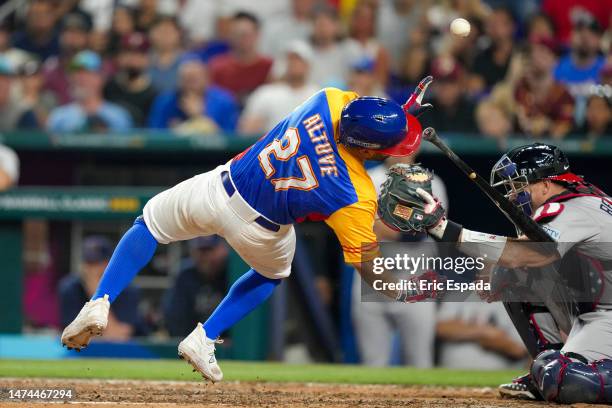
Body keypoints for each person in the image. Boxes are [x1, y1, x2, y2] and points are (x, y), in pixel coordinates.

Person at [60, 77, 431, 383]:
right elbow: (364, 263)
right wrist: (394, 288)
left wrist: (401, 110)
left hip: (219, 188)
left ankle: (99, 301)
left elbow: (361, 113)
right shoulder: (356, 193)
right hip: (262, 231)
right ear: (371, 147)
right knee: (271, 274)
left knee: (150, 225)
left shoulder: (329, 99)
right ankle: (204, 337)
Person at [378, 143, 612, 403]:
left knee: (563, 380)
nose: (513, 196)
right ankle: (547, 364)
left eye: (519, 186)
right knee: (509, 274)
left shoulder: (571, 209)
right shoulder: (584, 199)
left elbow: (529, 254)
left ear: (546, 185)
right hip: (596, 310)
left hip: (605, 316)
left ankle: (557, 369)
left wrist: (444, 229)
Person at [58, 236, 147, 340]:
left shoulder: (127, 290)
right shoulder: (71, 288)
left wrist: (97, 294)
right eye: (88, 263)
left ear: (110, 264)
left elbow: (117, 336)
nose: (91, 269)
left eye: (97, 263)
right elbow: (74, 338)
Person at [239, 41, 319, 135]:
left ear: (308, 65)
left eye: (299, 60)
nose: (294, 64)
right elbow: (245, 129)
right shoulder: (265, 93)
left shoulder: (317, 95)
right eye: (291, 59)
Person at [47, 50, 133, 134]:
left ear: (100, 78)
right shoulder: (59, 117)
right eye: (76, 73)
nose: (79, 78)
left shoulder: (118, 116)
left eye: (86, 73)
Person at [148, 58, 239, 133]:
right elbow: (155, 133)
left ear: (207, 79)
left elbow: (230, 137)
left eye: (194, 79)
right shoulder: (165, 101)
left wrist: (199, 117)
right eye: (186, 79)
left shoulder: (224, 101)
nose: (190, 86)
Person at [163, 236, 229, 337]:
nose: (205, 257)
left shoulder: (232, 273)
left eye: (210, 250)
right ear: (192, 252)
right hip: (193, 344)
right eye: (201, 251)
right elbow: (175, 318)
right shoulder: (185, 276)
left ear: (223, 250)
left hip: (227, 345)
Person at [436, 298, 528, 369]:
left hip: (499, 376)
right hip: (450, 373)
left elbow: (519, 350)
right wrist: (484, 332)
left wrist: (495, 341)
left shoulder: (513, 299)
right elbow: (441, 328)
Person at [208, 12, 273, 106]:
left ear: (257, 35)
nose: (242, 39)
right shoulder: (217, 66)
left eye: (246, 35)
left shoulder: (268, 66)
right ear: (230, 36)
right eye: (237, 34)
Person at [514, 38, 575, 138]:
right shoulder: (520, 87)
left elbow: (563, 129)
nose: (536, 56)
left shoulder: (563, 94)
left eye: (544, 52)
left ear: (555, 60)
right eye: (534, 52)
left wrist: (548, 126)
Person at [104, 33, 158, 127]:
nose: (133, 59)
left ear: (147, 59)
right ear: (119, 57)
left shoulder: (154, 94)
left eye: (139, 54)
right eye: (128, 53)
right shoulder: (107, 88)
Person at [42, 12, 92, 105]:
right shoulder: (51, 65)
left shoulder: (96, 66)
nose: (73, 37)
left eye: (78, 32)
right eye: (68, 31)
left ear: (87, 36)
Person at [470, 7, 516, 93]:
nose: (494, 28)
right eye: (491, 24)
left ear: (511, 27)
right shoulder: (481, 58)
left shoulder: (522, 55)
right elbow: (475, 90)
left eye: (499, 23)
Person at [147, 16, 184, 93]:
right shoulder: (142, 58)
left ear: (179, 34)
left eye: (169, 32)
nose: (165, 36)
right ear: (151, 34)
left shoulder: (189, 62)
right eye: (161, 31)